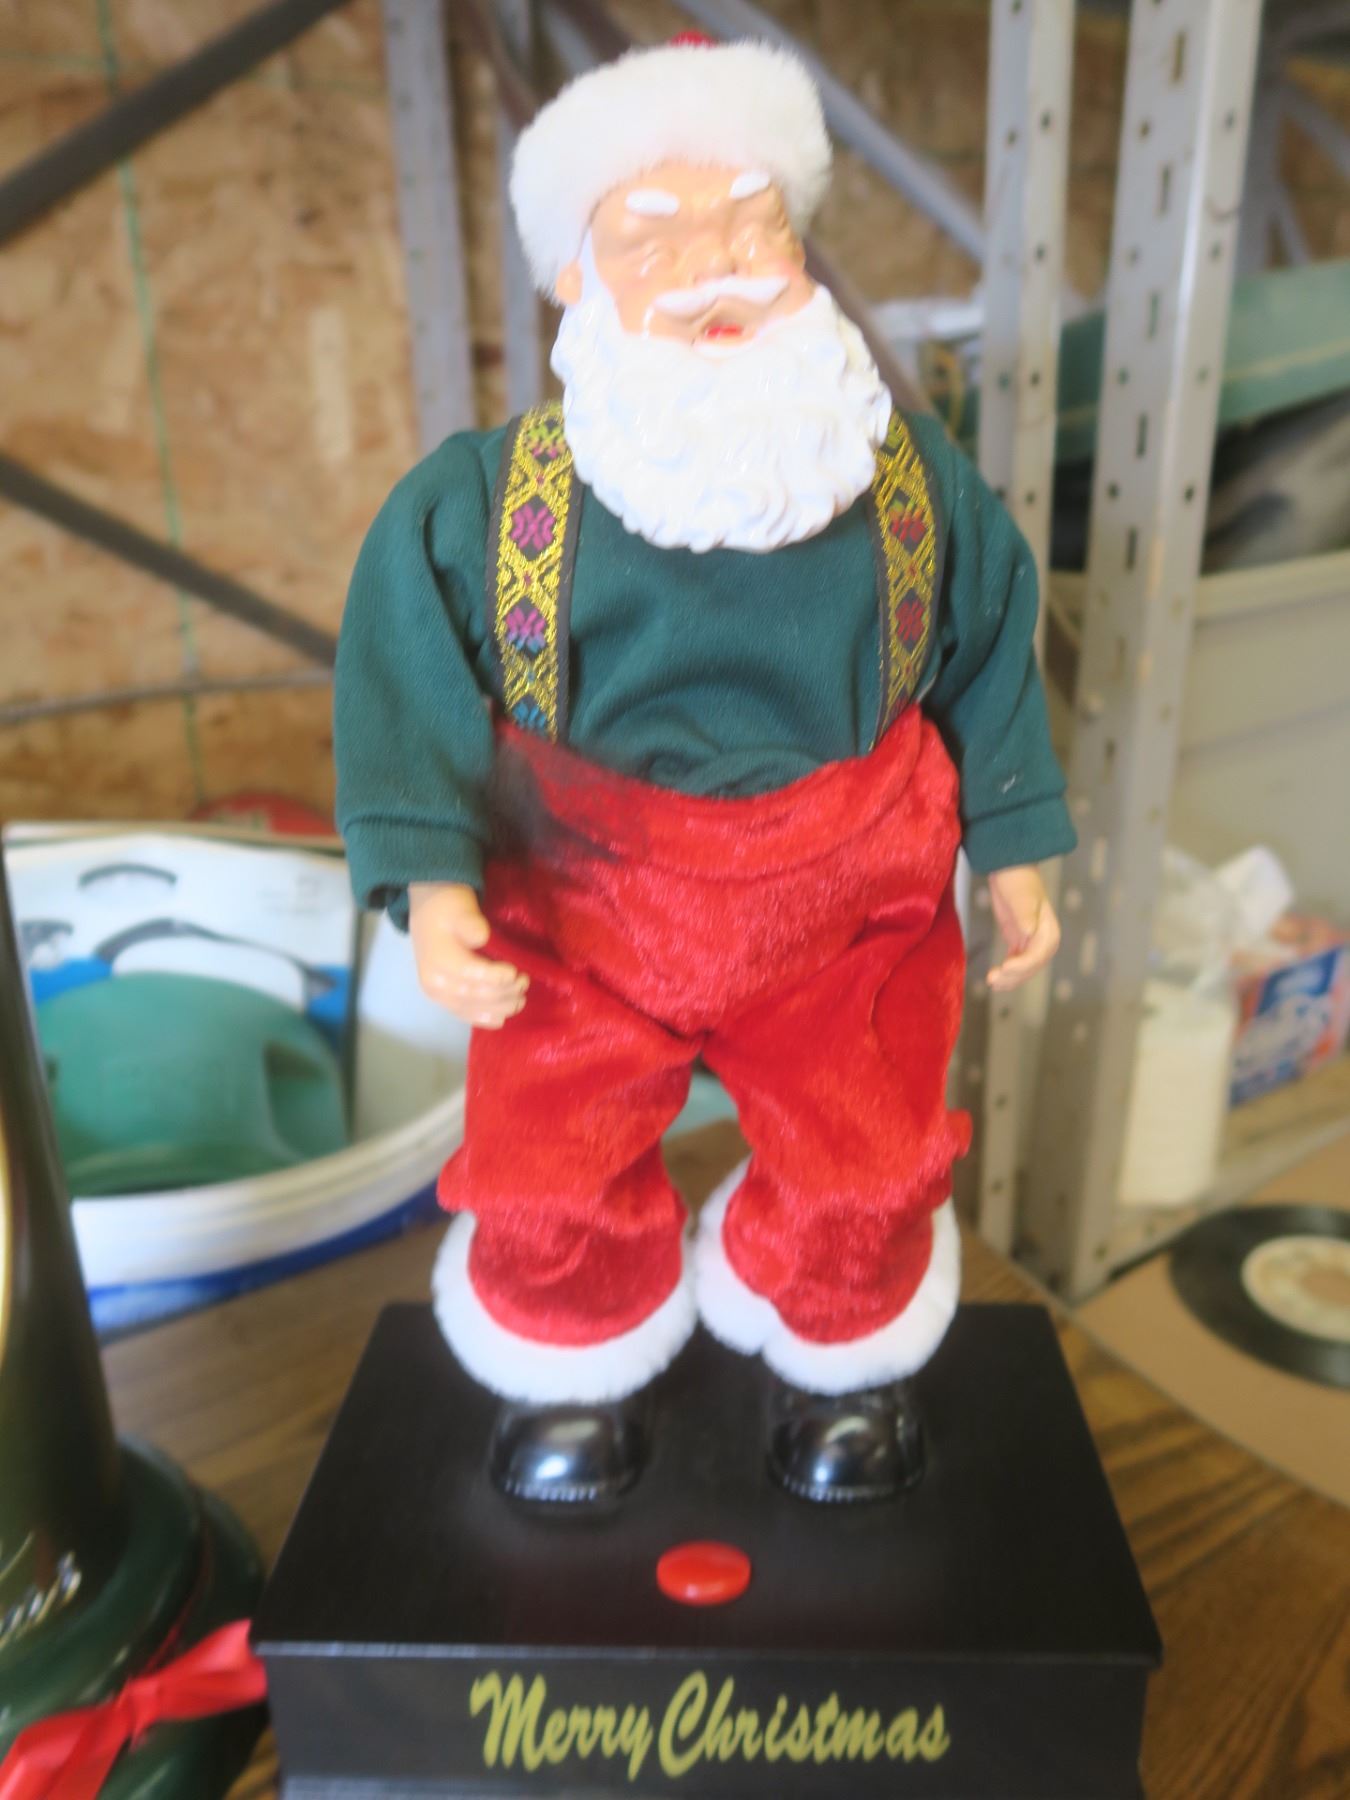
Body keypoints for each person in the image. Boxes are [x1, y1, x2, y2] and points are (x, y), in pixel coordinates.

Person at [335, 35, 1074, 1505]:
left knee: (870, 1156)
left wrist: (1016, 843)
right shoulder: (484, 506)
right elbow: (402, 671)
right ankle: (571, 1355)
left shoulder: (910, 484)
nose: (714, 267)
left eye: (754, 224)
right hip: (579, 905)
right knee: (545, 1163)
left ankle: (836, 1347)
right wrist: (431, 879)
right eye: (654, 235)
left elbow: (991, 643)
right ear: (573, 276)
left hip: (847, 909)